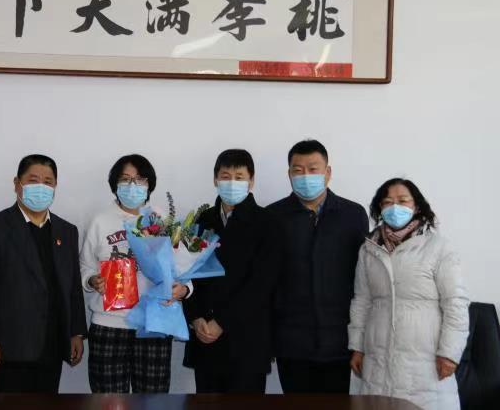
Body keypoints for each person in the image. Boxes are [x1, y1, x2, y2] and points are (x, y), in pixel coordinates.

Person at [349, 178, 469, 410]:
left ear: (417, 206)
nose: (395, 207)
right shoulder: (369, 249)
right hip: (377, 360)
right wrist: (357, 347)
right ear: (380, 208)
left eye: (403, 201)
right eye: (387, 202)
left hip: (425, 364)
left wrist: (450, 353)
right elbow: (361, 301)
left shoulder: (438, 247)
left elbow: (456, 303)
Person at [0, 154, 86, 393]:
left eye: (48, 181)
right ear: (17, 184)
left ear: (55, 186)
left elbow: (73, 287)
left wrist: (76, 332)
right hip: (8, 346)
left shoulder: (67, 231)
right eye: (33, 180)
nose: (41, 187)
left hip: (52, 343)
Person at [80, 154, 190, 393]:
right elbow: (85, 266)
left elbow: (183, 268)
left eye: (139, 179)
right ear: (115, 184)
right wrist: (91, 280)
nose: (132, 186)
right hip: (109, 325)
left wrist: (184, 289)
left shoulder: (163, 220)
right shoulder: (100, 221)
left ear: (149, 184)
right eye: (125, 179)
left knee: (153, 401)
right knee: (108, 401)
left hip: (153, 324)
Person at [268, 139, 368, 394]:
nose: (306, 176)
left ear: (328, 172)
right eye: (298, 170)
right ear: (289, 175)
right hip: (291, 342)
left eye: (313, 169)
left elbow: (363, 280)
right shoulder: (272, 217)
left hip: (340, 341)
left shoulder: (353, 214)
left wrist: (360, 339)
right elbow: (266, 281)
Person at [182, 149, 282, 393]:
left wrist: (222, 322)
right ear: (215, 179)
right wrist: (195, 318)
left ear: (251, 181)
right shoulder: (201, 220)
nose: (231, 182)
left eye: (239, 177)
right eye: (225, 176)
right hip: (205, 337)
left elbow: (262, 284)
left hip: (247, 342)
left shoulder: (268, 222)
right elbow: (186, 274)